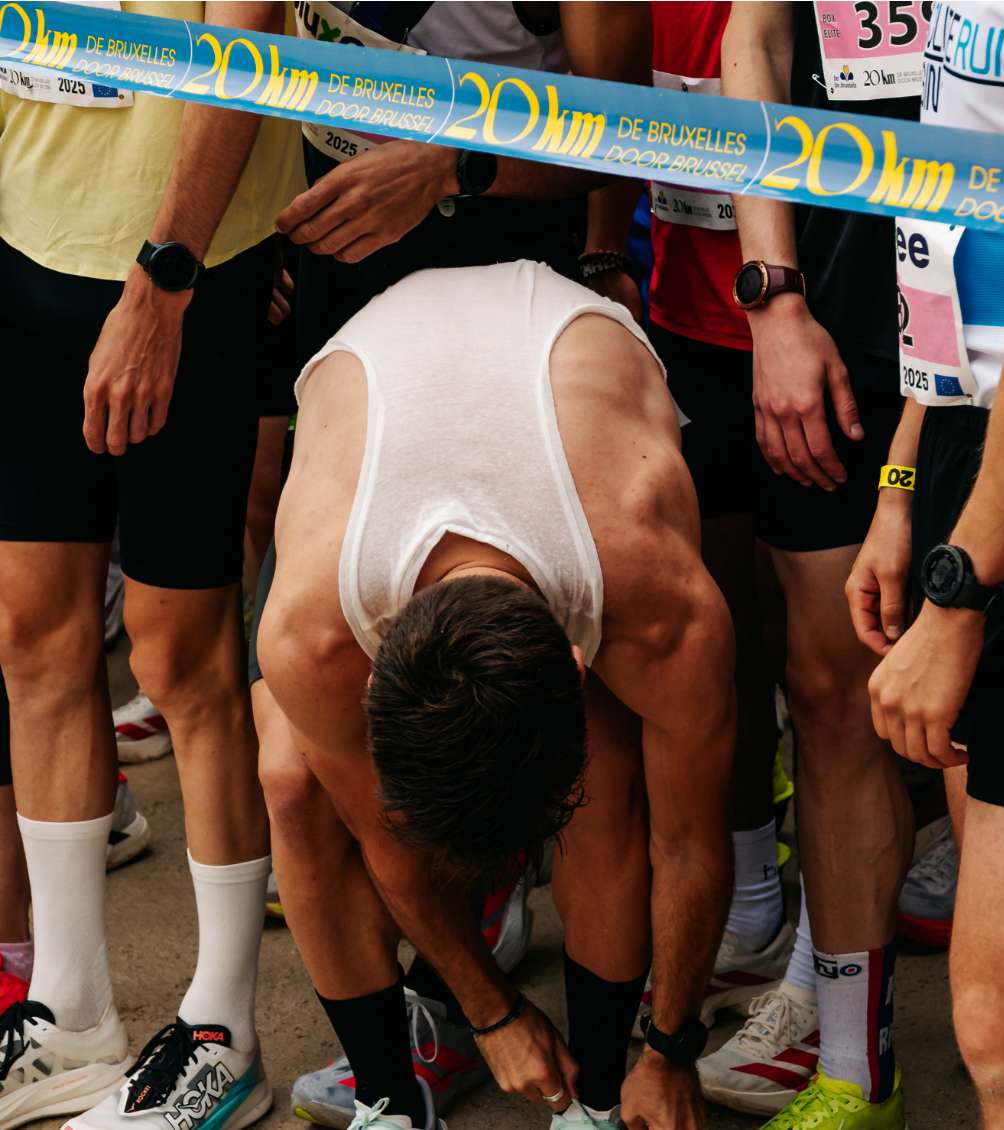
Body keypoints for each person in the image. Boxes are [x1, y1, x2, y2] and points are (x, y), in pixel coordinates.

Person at [255, 263, 732, 1130]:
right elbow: (382, 836)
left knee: (611, 783)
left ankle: (592, 1101)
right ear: (373, 686)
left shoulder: (656, 595)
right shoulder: (313, 629)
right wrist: (492, 1010)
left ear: (580, 668)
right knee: (291, 783)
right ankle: (388, 1100)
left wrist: (669, 1054)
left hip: (574, 352)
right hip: (370, 366)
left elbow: (691, 840)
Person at [0, 3, 298, 1124]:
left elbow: (247, 34)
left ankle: (224, 1026)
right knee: (31, 632)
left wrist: (166, 274)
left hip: (184, 264)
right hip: (21, 238)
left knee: (182, 659)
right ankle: (70, 1009)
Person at [629, 9, 808, 1113]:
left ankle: (866, 901)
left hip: (816, 309)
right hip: (684, 317)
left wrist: (779, 293)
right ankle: (748, 893)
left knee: (828, 642)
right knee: (722, 617)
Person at [849, 9, 1004, 1123]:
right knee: (993, 1028)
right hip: (960, 446)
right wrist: (901, 486)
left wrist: (960, 595)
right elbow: (949, 244)